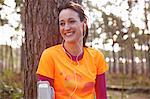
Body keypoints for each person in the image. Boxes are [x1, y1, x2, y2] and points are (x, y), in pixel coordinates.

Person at [36, 1, 109, 99]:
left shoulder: (96, 57)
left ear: (83, 24)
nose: (66, 28)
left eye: (71, 21)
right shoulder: (49, 56)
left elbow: (102, 96)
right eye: (62, 23)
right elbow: (44, 96)